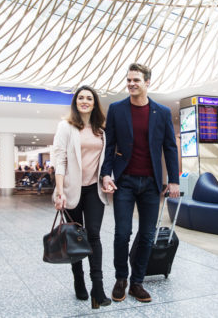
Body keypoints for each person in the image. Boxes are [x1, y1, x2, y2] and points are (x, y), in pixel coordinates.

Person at [100, 63, 180, 304]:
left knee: (146, 235)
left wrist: (173, 180)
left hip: (151, 184)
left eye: (136, 80)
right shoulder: (116, 109)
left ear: (147, 82)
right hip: (124, 181)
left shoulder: (162, 112)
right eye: (129, 80)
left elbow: (169, 147)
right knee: (122, 233)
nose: (131, 84)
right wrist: (106, 174)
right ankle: (121, 279)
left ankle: (137, 282)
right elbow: (110, 145)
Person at [52, 85, 112, 309]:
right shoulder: (66, 126)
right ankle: (79, 280)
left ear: (95, 103)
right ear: (75, 102)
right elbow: (59, 159)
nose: (84, 101)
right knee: (76, 236)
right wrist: (60, 191)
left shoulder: (101, 130)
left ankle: (98, 287)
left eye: (89, 98)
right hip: (71, 189)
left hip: (94, 190)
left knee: (94, 235)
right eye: (80, 98)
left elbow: (106, 160)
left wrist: (107, 178)